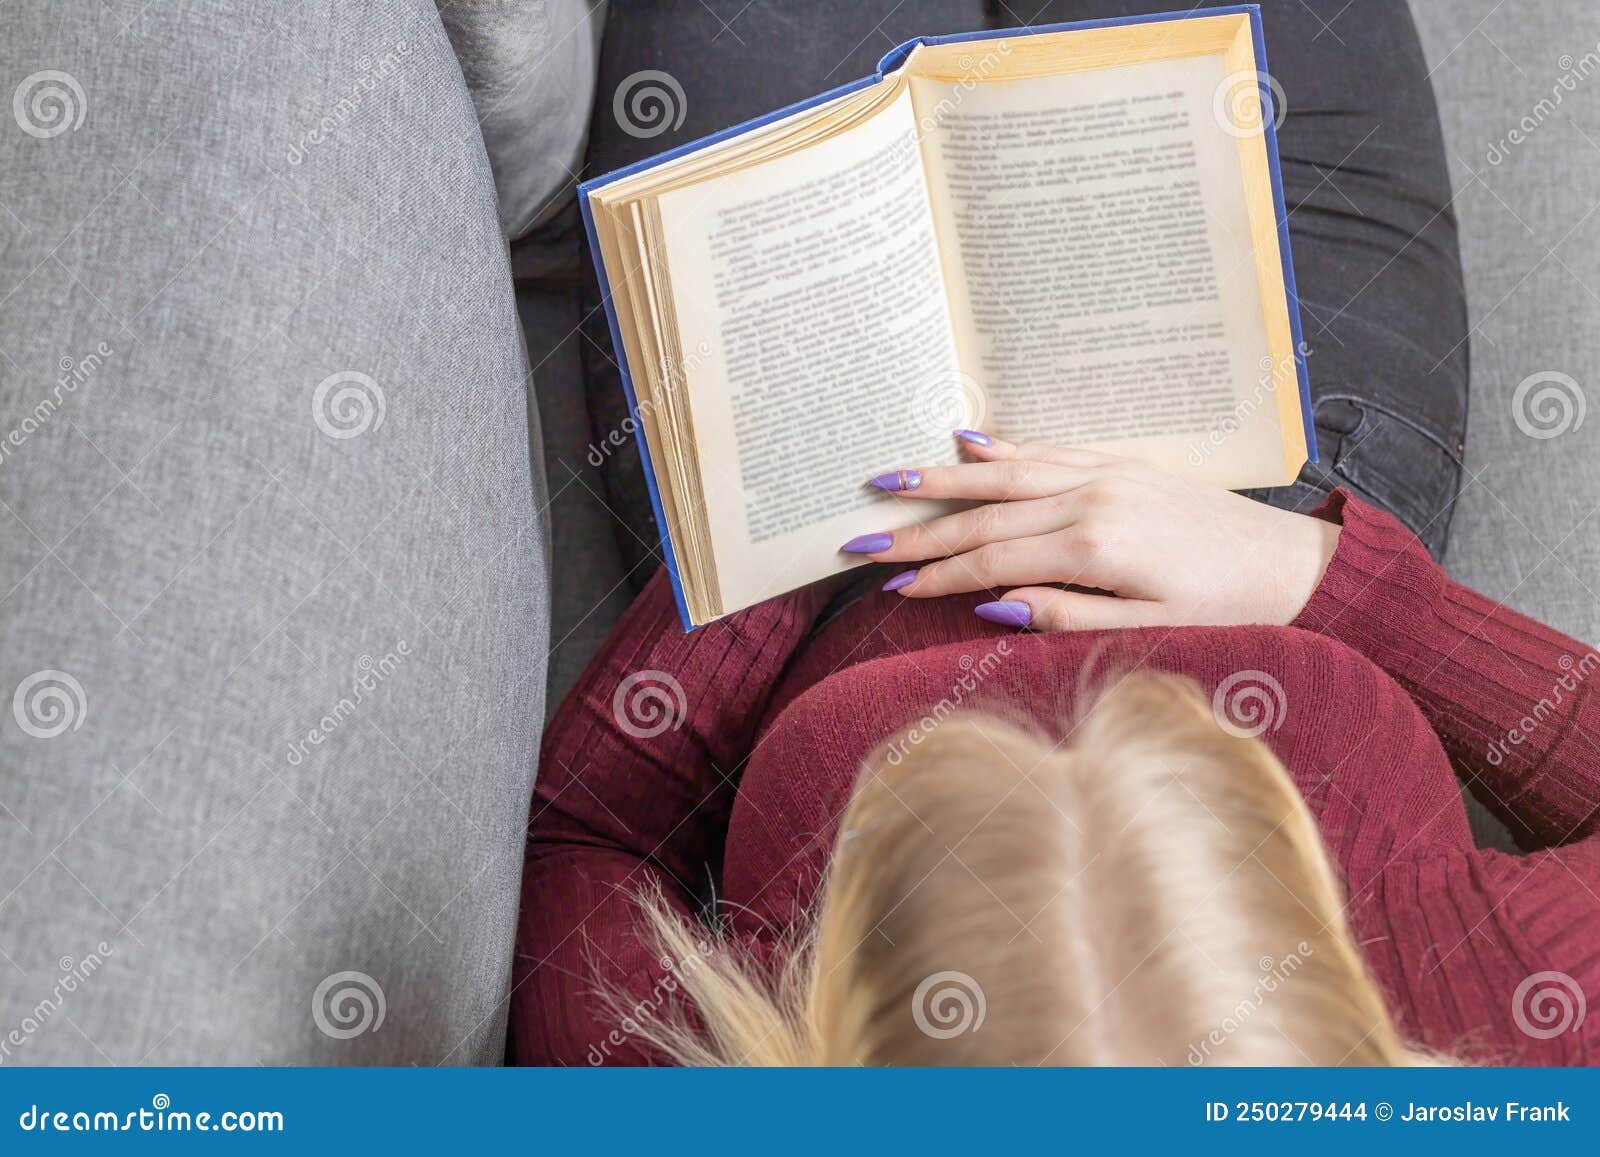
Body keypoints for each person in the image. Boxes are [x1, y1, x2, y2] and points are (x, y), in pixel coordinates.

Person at [511, 2, 1593, 1066]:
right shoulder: (1493, 1017)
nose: (1099, 701)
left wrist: (807, 512)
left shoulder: (717, 1065)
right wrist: (1318, 576)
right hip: (1289, 446)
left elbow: (585, 838)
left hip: (842, 534)